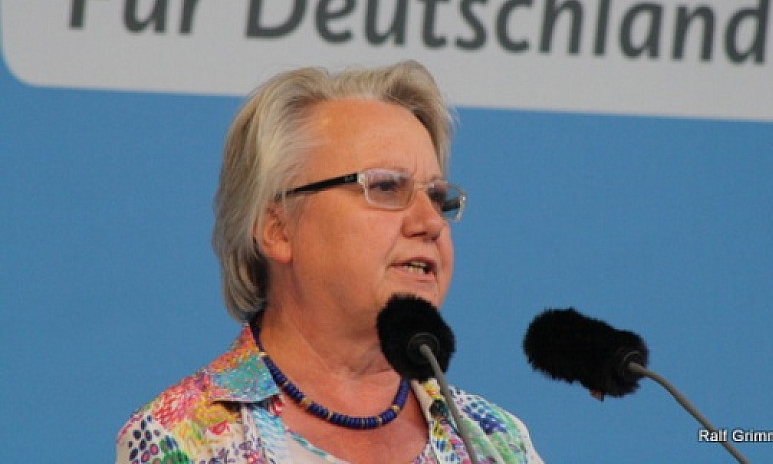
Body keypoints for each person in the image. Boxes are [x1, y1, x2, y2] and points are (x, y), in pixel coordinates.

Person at [115, 60, 544, 464]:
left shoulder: (493, 441)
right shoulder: (183, 438)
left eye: (436, 196)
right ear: (279, 229)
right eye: (386, 187)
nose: (430, 222)